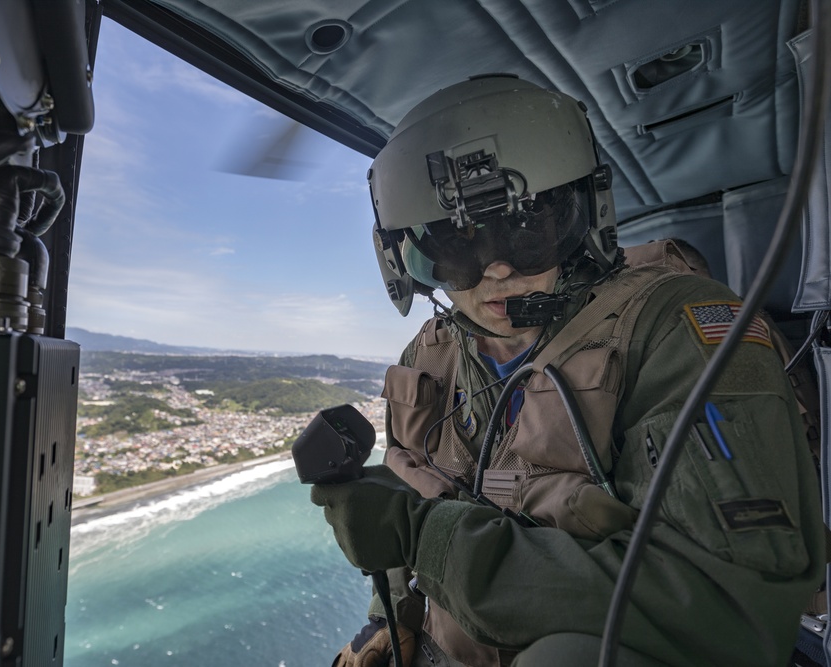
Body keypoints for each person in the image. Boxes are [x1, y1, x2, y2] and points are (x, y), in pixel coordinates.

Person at [310, 75, 825, 667]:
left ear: (586, 214)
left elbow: (728, 609)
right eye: (455, 246)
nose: (498, 271)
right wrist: (391, 616)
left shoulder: (676, 328)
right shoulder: (428, 359)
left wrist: (428, 539)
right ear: (410, 260)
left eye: (528, 227)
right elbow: (411, 495)